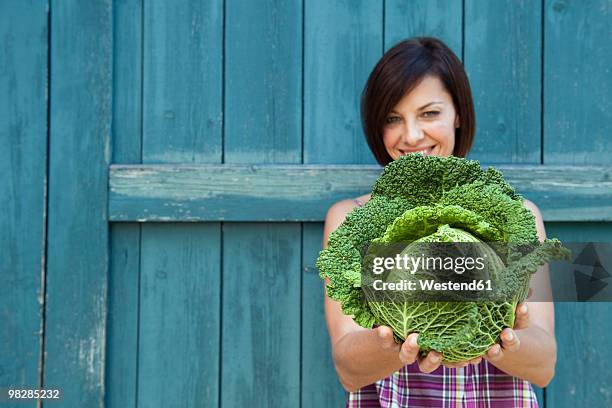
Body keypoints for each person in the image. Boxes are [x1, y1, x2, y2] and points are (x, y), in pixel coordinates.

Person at [322, 37, 555, 407]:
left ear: (458, 114)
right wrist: (397, 343)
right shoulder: (351, 219)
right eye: (392, 118)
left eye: (429, 114)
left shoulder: (518, 217)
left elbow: (544, 365)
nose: (411, 135)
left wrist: (502, 343)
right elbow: (347, 368)